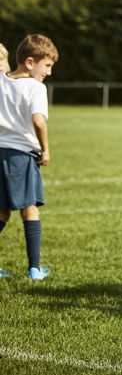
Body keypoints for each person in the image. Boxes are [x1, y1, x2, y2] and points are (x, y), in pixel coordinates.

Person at [0, 33, 59, 280]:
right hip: (22, 155)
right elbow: (38, 120)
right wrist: (45, 149)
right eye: (47, 66)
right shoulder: (36, 88)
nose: (49, 72)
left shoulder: (1, 81)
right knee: (30, 208)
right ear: (30, 62)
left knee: (2, 211)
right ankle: (35, 269)